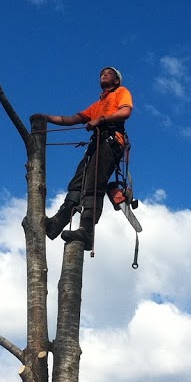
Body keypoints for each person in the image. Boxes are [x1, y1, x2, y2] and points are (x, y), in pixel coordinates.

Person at [40, 66, 132, 250]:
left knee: (93, 185)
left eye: (109, 73)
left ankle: (87, 231)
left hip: (111, 142)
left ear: (116, 81)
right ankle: (57, 223)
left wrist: (102, 120)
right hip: (96, 145)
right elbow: (72, 119)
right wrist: (45, 118)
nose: (104, 74)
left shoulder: (121, 92)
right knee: (77, 183)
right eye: (102, 73)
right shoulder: (96, 105)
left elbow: (125, 112)